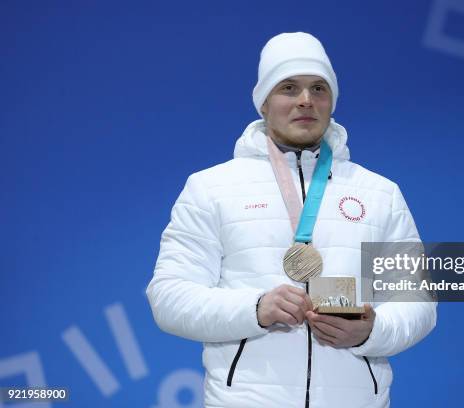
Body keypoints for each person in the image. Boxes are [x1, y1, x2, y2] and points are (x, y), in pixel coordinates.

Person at [146, 32, 437, 408]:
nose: (306, 100)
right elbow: (168, 297)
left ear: (331, 101)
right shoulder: (210, 188)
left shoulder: (380, 193)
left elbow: (418, 303)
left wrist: (371, 331)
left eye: (319, 88)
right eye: (289, 87)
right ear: (263, 102)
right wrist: (255, 308)